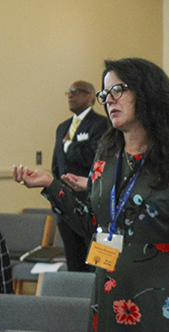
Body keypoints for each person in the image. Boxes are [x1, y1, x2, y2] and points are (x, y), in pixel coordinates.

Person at [14, 58, 169, 332]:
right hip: (110, 282)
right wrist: (50, 184)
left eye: (118, 90)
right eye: (105, 94)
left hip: (161, 289)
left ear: (147, 93)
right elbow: (91, 224)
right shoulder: (106, 155)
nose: (109, 100)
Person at [52, 80, 109, 272]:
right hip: (66, 207)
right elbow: (56, 165)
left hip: (92, 206)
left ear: (91, 96)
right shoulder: (62, 127)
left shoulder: (102, 124)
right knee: (74, 264)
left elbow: (94, 157)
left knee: (97, 265)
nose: (70, 95)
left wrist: (69, 146)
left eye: (76, 91)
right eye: (68, 91)